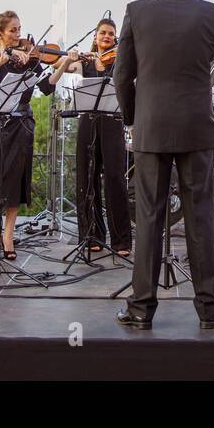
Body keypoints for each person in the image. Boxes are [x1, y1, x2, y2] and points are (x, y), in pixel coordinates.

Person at [113, 0, 214, 330]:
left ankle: (140, 309)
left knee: (149, 218)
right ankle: (209, 311)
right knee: (201, 217)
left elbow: (122, 75)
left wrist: (134, 119)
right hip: (196, 129)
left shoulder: (136, 11)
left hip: (151, 129)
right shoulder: (213, 14)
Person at [0, 11, 74, 260]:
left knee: (16, 180)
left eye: (19, 29)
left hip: (22, 123)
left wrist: (65, 64)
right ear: (0, 33)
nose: (19, 35)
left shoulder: (28, 57)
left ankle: (8, 234)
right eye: (13, 31)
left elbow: (46, 87)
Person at [62, 17, 131, 256]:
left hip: (112, 123)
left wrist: (106, 68)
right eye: (103, 33)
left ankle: (121, 240)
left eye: (111, 34)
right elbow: (61, 67)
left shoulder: (119, 63)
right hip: (88, 123)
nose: (107, 37)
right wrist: (68, 58)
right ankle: (91, 235)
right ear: (95, 36)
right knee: (87, 180)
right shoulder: (85, 62)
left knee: (115, 180)